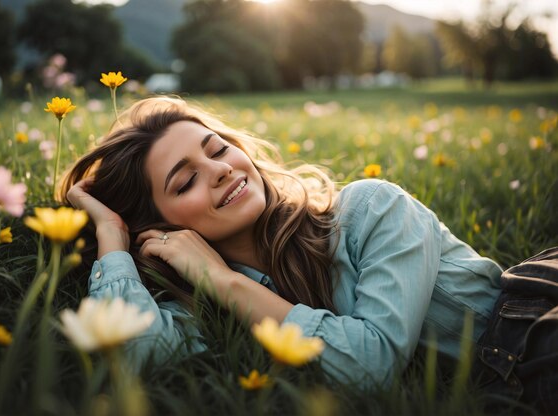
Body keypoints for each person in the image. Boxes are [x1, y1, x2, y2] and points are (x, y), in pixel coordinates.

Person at [61, 96, 506, 389]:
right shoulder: (206, 304)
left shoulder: (372, 209)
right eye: (186, 181)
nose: (219, 170)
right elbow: (136, 359)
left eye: (217, 150)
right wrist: (113, 239)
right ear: (158, 228)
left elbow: (376, 363)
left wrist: (224, 281)